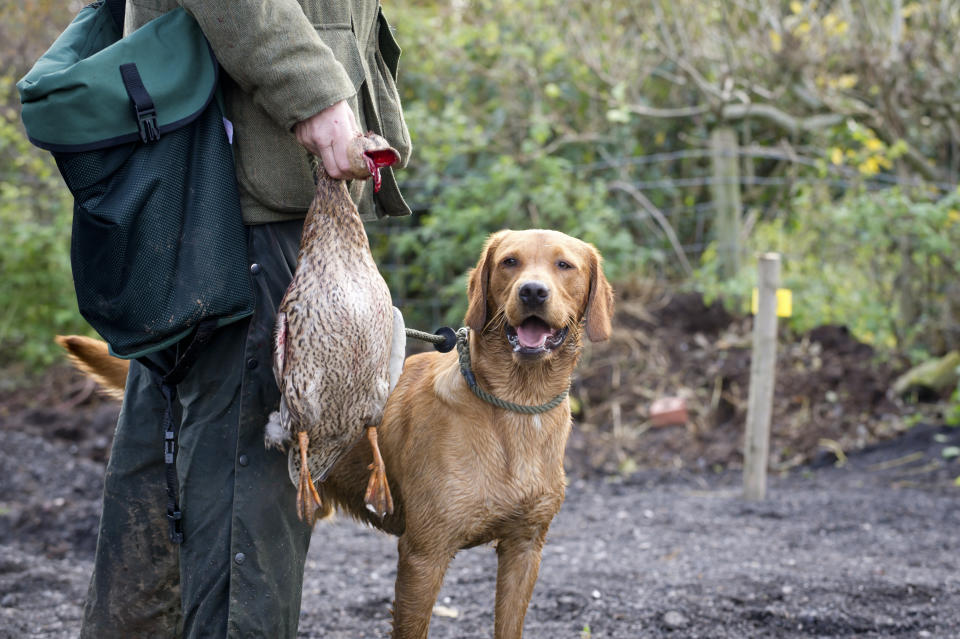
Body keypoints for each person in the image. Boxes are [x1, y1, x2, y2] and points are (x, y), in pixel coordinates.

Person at [79, 1, 411, 637]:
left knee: (162, 469)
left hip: (227, 190)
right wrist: (312, 93)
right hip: (249, 193)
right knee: (246, 499)